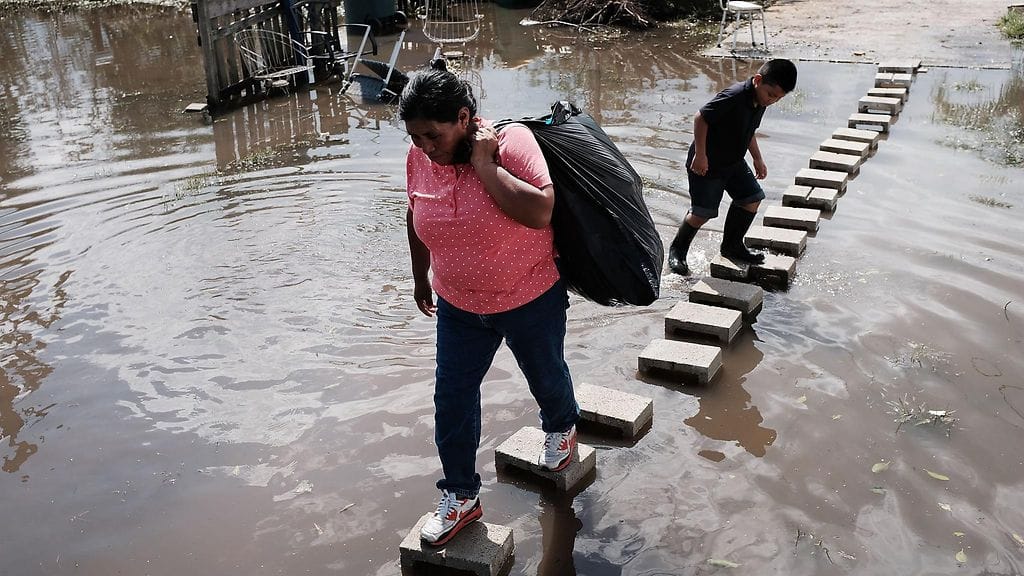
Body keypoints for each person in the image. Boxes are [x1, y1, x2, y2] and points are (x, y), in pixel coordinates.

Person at [399, 68, 581, 547]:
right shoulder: (417, 159)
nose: (425, 147)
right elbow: (413, 214)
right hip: (459, 306)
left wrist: (485, 166)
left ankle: (561, 429)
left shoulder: (513, 143)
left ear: (464, 118)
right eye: (415, 137)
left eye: (433, 135)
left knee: (545, 375)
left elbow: (540, 211)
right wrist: (421, 277)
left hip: (530, 295)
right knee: (451, 398)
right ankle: (460, 495)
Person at [667, 58, 798, 275]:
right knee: (703, 213)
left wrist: (757, 158)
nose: (772, 101)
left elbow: (749, 131)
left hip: (733, 161)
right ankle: (677, 251)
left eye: (778, 98)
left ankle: (732, 246)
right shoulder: (735, 95)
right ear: (757, 80)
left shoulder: (760, 101)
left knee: (752, 198)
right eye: (771, 95)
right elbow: (701, 118)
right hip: (707, 162)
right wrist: (700, 154)